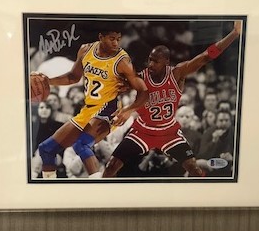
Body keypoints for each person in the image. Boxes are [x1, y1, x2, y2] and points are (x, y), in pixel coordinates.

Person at [103, 21, 241, 178]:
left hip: (169, 132)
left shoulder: (177, 74)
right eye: (150, 59)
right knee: (111, 166)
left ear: (166, 62)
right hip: (143, 130)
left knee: (194, 169)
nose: (150, 64)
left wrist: (234, 34)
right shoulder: (141, 77)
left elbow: (205, 56)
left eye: (155, 61)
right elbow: (117, 84)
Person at [37, 26, 148, 178]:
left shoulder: (122, 60)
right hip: (89, 109)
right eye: (112, 39)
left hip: (109, 109)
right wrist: (48, 81)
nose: (116, 43)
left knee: (81, 144)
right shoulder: (85, 50)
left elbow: (144, 91)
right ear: (101, 37)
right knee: (46, 149)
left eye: (118, 39)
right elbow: (72, 77)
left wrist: (129, 110)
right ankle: (49, 187)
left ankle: (99, 187)